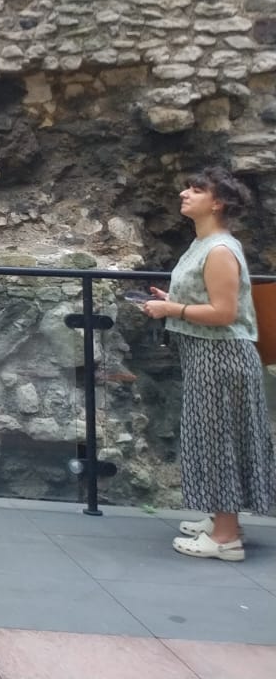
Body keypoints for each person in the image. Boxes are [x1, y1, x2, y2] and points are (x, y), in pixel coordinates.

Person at [143, 167, 275, 561]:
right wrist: (175, 299)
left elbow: (224, 312)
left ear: (217, 203)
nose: (184, 193)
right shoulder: (205, 243)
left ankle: (225, 538)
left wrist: (171, 308)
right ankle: (223, 520)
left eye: (196, 190)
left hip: (221, 358)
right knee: (213, 439)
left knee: (220, 441)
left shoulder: (219, 249)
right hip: (207, 355)